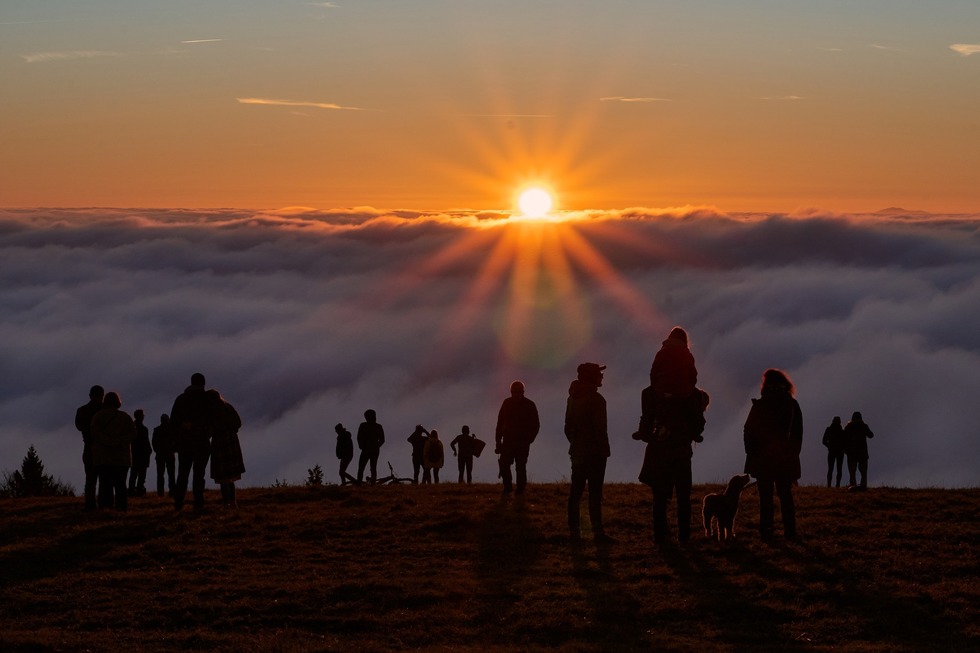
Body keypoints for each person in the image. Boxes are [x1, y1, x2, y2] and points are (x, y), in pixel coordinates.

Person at [632, 384, 706, 545]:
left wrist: (649, 436)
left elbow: (646, 421)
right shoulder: (692, 394)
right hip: (682, 453)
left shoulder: (650, 393)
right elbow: (698, 425)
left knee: (659, 498)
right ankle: (684, 537)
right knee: (683, 498)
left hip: (659, 452)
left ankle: (660, 537)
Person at [743, 369, 803, 541]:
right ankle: (790, 532)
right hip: (784, 459)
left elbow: (748, 430)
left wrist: (751, 452)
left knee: (766, 497)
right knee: (785, 495)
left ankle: (766, 530)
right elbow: (798, 435)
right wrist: (792, 455)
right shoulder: (792, 405)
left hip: (763, 459)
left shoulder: (761, 405)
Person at [565, 363, 614, 544]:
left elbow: (567, 427)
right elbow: (600, 430)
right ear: (591, 376)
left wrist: (576, 443)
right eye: (599, 374)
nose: (601, 377)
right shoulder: (597, 400)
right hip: (595, 453)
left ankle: (574, 532)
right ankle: (598, 533)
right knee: (595, 493)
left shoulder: (572, 398)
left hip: (577, 451)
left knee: (575, 492)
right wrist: (603, 450)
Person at [170, 372, 220, 512]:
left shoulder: (181, 399)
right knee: (199, 474)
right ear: (203, 383)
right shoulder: (208, 399)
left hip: (185, 443)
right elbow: (215, 420)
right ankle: (198, 502)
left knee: (183, 474)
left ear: (191, 382)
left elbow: (173, 422)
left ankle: (179, 503)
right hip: (203, 442)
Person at [648, 326, 706, 443]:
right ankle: (696, 432)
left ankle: (644, 429)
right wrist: (689, 388)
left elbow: (653, 374)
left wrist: (656, 388)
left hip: (661, 392)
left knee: (646, 394)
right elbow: (693, 376)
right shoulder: (687, 355)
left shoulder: (661, 353)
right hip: (682, 393)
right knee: (698, 398)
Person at [90, 391, 136, 512]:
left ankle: (106, 507)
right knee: (121, 485)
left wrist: (107, 441)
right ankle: (121, 507)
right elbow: (133, 433)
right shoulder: (125, 417)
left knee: (105, 484)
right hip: (122, 457)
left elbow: (94, 434)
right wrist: (120, 441)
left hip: (103, 457)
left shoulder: (98, 416)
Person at [494, 381, 540, 496]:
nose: (516, 394)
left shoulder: (529, 405)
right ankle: (508, 487)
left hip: (521, 442)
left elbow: (535, 425)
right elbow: (500, 422)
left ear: (522, 392)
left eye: (518, 392)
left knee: (520, 466)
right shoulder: (508, 403)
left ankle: (519, 489)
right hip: (509, 441)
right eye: (514, 392)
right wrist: (498, 441)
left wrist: (529, 439)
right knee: (505, 465)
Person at [208, 390, 245, 508]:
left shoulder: (213, 412)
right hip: (232, 443)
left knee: (223, 476)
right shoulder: (228, 407)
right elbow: (238, 423)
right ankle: (233, 502)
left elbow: (211, 429)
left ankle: (226, 502)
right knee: (230, 476)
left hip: (220, 444)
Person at [74, 385, 105, 511]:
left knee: (90, 479)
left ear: (90, 395)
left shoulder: (82, 410)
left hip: (89, 446)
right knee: (104, 479)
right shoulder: (105, 411)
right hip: (104, 447)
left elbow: (79, 426)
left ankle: (90, 505)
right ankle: (103, 504)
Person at [844, 411, 874, 491]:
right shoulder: (864, 426)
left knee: (852, 472)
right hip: (862, 453)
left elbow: (844, 439)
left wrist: (846, 450)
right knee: (863, 472)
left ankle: (852, 487)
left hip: (852, 453)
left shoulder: (848, 427)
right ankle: (863, 486)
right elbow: (871, 435)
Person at [356, 409, 385, 484]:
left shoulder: (376, 426)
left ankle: (370, 482)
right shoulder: (365, 425)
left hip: (370, 449)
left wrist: (376, 446)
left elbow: (382, 439)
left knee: (370, 467)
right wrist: (362, 445)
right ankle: (361, 482)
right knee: (366, 467)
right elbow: (359, 437)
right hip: (368, 449)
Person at [128, 409, 152, 497]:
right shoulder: (143, 429)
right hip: (142, 455)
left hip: (134, 454)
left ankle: (132, 489)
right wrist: (149, 451)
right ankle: (139, 490)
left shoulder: (132, 427)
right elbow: (146, 442)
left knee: (134, 473)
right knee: (141, 474)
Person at [152, 414, 176, 497]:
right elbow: (175, 442)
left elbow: (154, 444)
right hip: (170, 454)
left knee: (160, 475)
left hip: (160, 455)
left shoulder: (157, 430)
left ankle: (160, 493)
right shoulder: (172, 430)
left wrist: (158, 451)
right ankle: (172, 492)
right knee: (171, 474)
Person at [822, 416, 846, 488]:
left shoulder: (829, 429)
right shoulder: (842, 431)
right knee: (839, 469)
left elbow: (824, 441)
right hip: (840, 452)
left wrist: (829, 446)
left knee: (830, 468)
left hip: (832, 451)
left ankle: (829, 485)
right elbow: (845, 442)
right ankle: (837, 485)